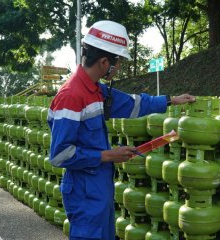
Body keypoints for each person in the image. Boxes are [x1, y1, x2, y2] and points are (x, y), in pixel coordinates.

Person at [47, 20, 195, 240]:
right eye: (119, 62)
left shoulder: (96, 90)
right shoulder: (71, 96)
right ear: (105, 62)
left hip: (98, 184)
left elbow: (133, 104)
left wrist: (171, 100)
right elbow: (59, 155)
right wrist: (108, 155)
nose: (120, 67)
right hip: (84, 189)